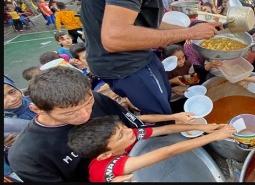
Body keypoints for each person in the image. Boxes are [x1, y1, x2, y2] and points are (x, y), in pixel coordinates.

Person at [80, 0, 218, 116]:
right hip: (126, 66)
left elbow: (147, 22)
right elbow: (115, 37)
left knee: (165, 99)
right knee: (161, 116)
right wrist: (190, 32)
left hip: (141, 57)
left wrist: (197, 27)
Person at [7, 67, 195, 182]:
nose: (85, 115)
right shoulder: (26, 155)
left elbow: (135, 129)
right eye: (70, 113)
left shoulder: (98, 99)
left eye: (88, 104)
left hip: (143, 164)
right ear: (37, 109)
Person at [67, 115, 235, 182]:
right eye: (121, 136)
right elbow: (168, 151)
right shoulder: (113, 166)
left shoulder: (127, 134)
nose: (129, 132)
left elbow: (165, 129)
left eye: (123, 127)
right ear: (106, 155)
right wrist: (214, 137)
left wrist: (202, 127)